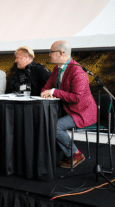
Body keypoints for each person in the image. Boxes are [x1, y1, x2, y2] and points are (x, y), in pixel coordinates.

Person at [41, 40, 95, 168]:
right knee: (47, 123)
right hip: (68, 109)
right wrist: (48, 92)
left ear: (60, 53)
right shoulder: (57, 69)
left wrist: (54, 91)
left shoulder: (78, 71)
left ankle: (75, 154)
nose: (49, 55)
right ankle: (65, 155)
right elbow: (45, 88)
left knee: (55, 126)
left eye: (51, 52)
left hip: (82, 112)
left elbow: (76, 98)